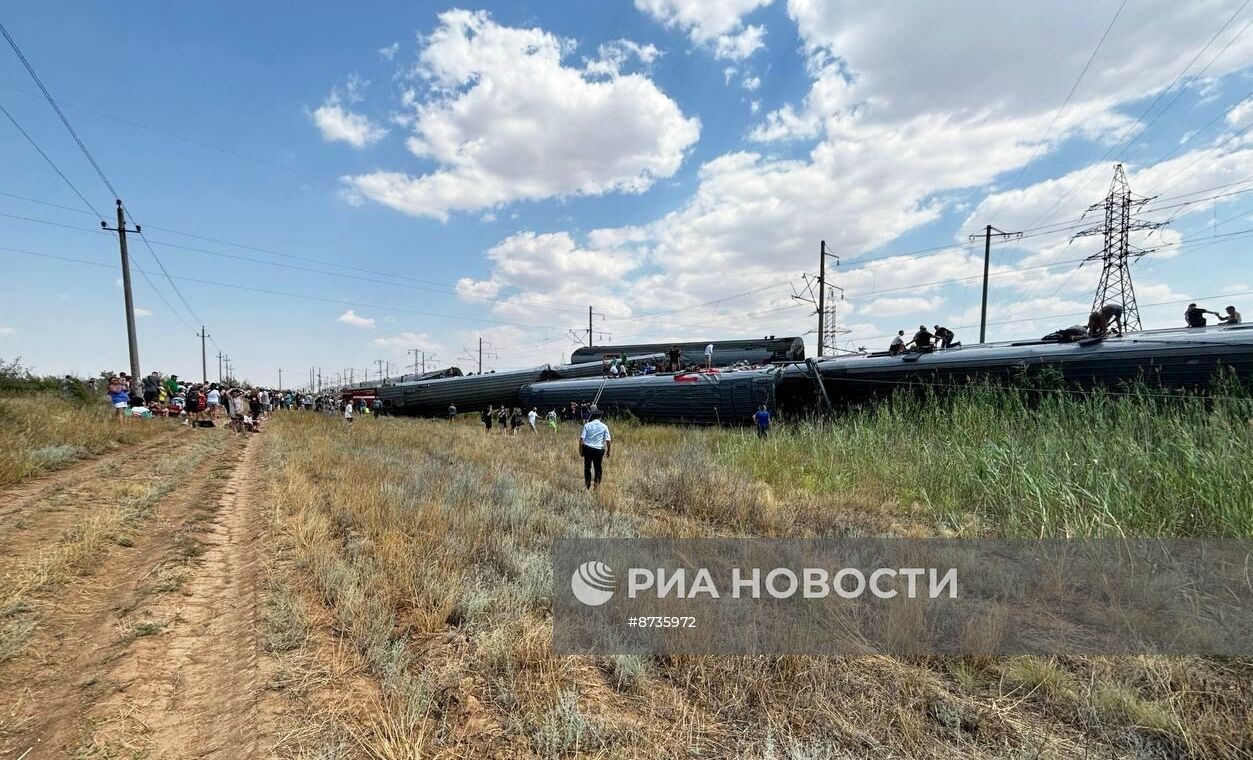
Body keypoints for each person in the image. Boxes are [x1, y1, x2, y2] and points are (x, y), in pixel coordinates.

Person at [578, 410, 612, 490]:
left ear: (593, 417)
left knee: (587, 467)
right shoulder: (604, 426)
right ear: (600, 417)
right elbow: (608, 440)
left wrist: (580, 450)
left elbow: (581, 439)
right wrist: (608, 451)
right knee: (598, 468)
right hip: (598, 449)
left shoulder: (587, 425)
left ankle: (587, 485)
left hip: (588, 449)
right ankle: (596, 486)